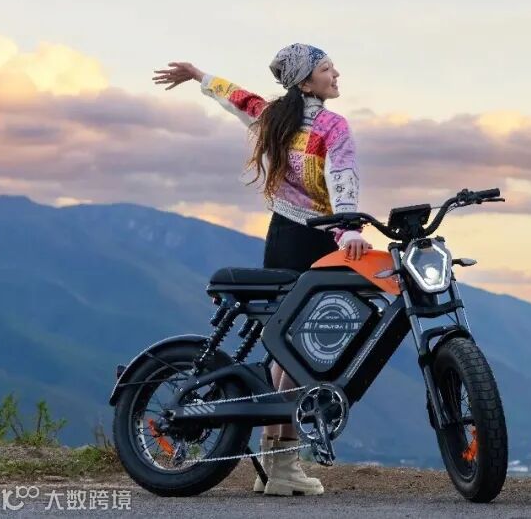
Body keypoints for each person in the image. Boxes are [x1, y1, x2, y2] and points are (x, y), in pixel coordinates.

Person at [152, 43, 370, 496]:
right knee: (305, 350)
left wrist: (199, 75)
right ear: (305, 81)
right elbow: (342, 177)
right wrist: (349, 228)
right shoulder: (332, 126)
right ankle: (282, 466)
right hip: (323, 239)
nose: (336, 75)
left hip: (283, 235)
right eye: (327, 68)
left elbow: (237, 98)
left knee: (282, 347)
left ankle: (274, 466)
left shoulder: (274, 117)